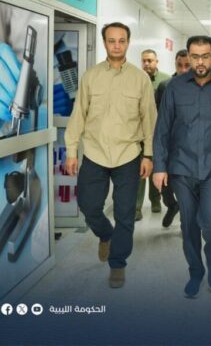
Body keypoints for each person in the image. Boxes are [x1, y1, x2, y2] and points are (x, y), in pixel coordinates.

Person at [64, 22, 156, 289]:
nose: (117, 45)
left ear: (128, 43)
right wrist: (71, 151)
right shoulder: (90, 76)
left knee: (125, 213)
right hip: (95, 153)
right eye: (112, 40)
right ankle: (106, 234)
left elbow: (150, 120)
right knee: (89, 206)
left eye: (122, 40)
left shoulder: (140, 79)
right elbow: (78, 115)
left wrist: (149, 155)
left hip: (129, 154)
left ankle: (118, 263)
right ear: (104, 43)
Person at [153, 36, 211, 298]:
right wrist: (159, 166)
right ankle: (196, 271)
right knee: (189, 224)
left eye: (205, 56)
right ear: (188, 57)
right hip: (181, 167)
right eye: (195, 56)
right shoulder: (174, 87)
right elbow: (162, 129)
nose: (200, 62)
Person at [153, 49, 191, 228]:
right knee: (164, 183)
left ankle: (186, 219)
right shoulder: (165, 86)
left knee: (186, 185)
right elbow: (157, 116)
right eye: (179, 65)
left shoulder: (200, 86)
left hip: (190, 145)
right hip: (168, 143)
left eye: (187, 66)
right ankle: (171, 205)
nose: (183, 70)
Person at [136, 49, 172, 220]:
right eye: (144, 60)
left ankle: (155, 200)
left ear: (157, 61)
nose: (147, 64)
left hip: (159, 131)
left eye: (150, 60)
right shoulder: (135, 78)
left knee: (157, 167)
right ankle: (136, 207)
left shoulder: (166, 80)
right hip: (140, 132)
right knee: (140, 169)